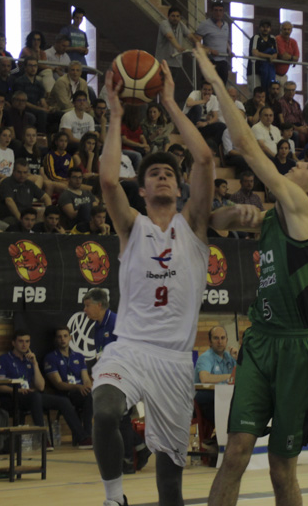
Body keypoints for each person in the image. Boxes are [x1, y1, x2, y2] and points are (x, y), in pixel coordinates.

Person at [195, 46, 308, 506]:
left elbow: (243, 147)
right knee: (235, 452)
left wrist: (217, 82)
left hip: (298, 349)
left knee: (282, 469)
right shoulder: (277, 215)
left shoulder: (305, 209)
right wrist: (232, 214)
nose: (299, 162)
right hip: (260, 342)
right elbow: (216, 224)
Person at [93, 51, 217, 506]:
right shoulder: (132, 226)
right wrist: (115, 113)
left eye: (168, 173)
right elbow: (108, 182)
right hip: (129, 346)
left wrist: (168, 102)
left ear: (179, 188)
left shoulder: (194, 226)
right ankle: (113, 498)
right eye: (153, 174)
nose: (162, 177)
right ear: (141, 189)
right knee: (105, 409)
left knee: (171, 489)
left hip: (174, 360)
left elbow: (203, 159)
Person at [0, 330, 93, 448]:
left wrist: (34, 364)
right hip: (13, 396)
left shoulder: (29, 360)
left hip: (31, 395)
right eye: (20, 341)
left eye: (27, 341)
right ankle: (43, 438)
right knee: (35, 396)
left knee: (62, 401)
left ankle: (83, 438)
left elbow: (41, 386)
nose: (24, 344)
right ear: (13, 343)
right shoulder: (3, 359)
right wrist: (18, 391)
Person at [43, 327, 94, 448]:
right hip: (63, 393)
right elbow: (58, 384)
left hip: (79, 392)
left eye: (65, 336)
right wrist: (77, 387)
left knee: (89, 396)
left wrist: (87, 387)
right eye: (59, 336)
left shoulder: (79, 356)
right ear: (56, 339)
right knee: (71, 399)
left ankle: (88, 435)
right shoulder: (51, 358)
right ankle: (85, 437)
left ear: (70, 338)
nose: (62, 339)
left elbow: (86, 378)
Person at [193, 326, 237, 425]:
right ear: (210, 341)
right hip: (204, 400)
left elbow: (243, 376)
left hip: (224, 397)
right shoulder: (205, 357)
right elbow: (204, 378)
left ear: (227, 340)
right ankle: (220, 437)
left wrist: (239, 358)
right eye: (216, 338)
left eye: (222, 338)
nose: (220, 342)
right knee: (227, 405)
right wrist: (228, 376)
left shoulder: (230, 357)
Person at [195, 1, 233, 82]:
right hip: (210, 60)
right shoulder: (204, 24)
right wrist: (209, 50)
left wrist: (229, 50)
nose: (218, 13)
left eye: (220, 10)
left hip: (223, 61)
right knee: (208, 85)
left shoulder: (226, 25)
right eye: (216, 10)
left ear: (223, 12)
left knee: (222, 87)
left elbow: (224, 39)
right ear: (211, 11)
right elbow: (196, 41)